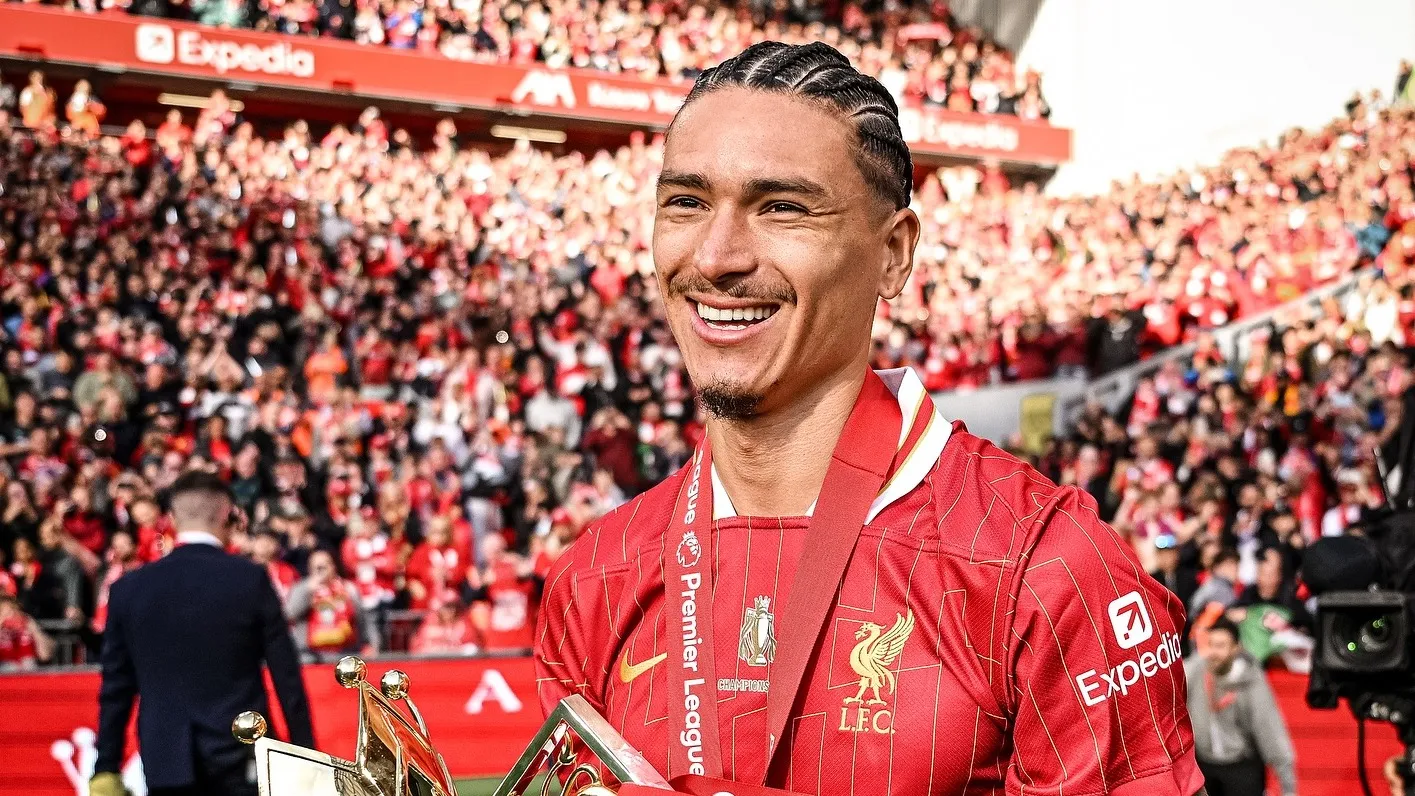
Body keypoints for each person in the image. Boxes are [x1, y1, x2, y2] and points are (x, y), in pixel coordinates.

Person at [536, 40, 1204, 796]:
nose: (716, 257)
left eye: (781, 207)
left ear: (893, 253)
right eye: (686, 202)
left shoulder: (1046, 570)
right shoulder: (594, 577)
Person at [91, 471, 313, 796]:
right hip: (241, 752)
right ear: (228, 516)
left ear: (171, 519)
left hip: (166, 758)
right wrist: (305, 756)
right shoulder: (249, 579)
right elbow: (286, 676)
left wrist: (106, 767)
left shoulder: (129, 589)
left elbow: (116, 687)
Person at [1183, 617, 1296, 796]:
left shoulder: (1250, 679)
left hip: (1241, 765)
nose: (1213, 652)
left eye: (1220, 646)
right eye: (1210, 644)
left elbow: (1270, 729)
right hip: (1203, 764)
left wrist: (1288, 789)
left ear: (1236, 648)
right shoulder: (1196, 670)